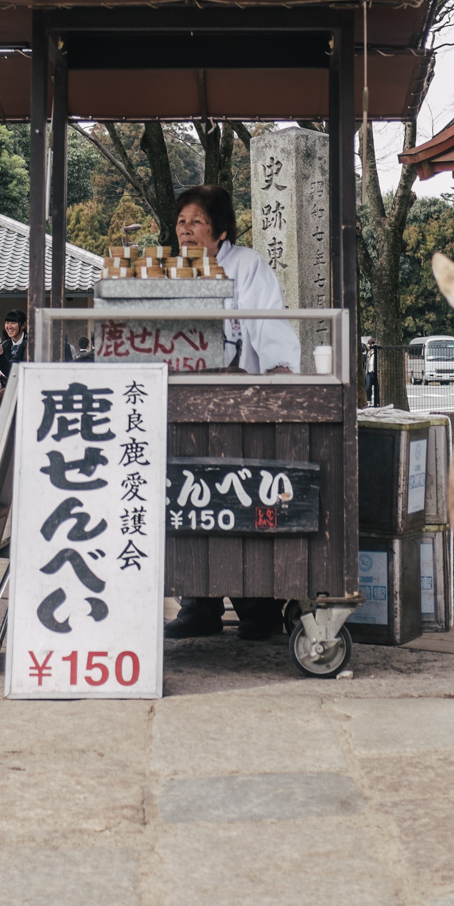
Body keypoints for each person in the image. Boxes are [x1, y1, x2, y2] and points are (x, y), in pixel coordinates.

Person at [163, 185, 300, 643]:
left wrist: (280, 368)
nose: (186, 229)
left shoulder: (247, 267)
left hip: (243, 403)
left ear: (220, 230)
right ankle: (197, 605)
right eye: (181, 221)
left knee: (240, 501)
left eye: (196, 221)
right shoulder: (172, 271)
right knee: (189, 497)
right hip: (186, 403)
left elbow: (267, 321)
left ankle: (257, 607)